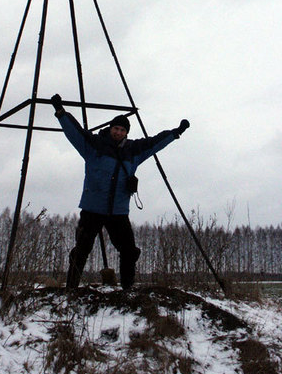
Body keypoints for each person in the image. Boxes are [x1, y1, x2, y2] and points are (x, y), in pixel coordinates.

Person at [51, 93, 190, 290]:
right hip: (92, 209)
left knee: (129, 251)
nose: (118, 132)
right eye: (116, 128)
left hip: (118, 212)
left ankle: (127, 288)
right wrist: (61, 112)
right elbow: (75, 133)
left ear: (126, 132)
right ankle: (71, 288)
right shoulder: (94, 145)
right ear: (110, 128)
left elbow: (154, 143)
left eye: (122, 129)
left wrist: (175, 133)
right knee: (81, 249)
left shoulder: (133, 151)